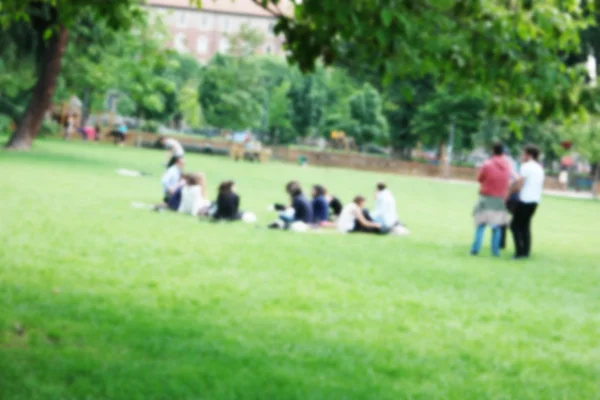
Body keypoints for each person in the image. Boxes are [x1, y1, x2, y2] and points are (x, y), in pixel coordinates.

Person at [471, 142, 511, 256]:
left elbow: (480, 178)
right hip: (499, 199)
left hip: (486, 197)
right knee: (497, 226)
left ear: (493, 151)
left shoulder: (487, 164)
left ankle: (475, 249)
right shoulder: (507, 165)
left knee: (481, 224)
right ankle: (495, 251)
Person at [510, 144, 545, 259]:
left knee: (514, 226)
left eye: (523, 154)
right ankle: (526, 251)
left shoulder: (526, 167)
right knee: (525, 225)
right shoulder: (539, 168)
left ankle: (519, 252)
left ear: (529, 155)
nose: (522, 156)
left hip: (524, 199)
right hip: (535, 200)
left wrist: (509, 192)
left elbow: (520, 184)